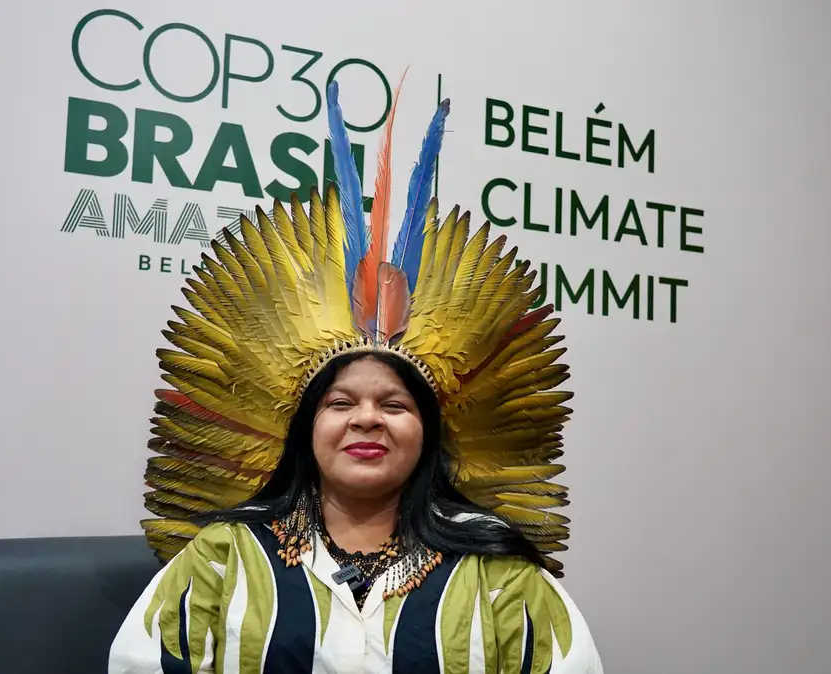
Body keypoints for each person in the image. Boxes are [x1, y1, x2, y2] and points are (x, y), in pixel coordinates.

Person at [107, 77, 605, 673]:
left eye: (394, 405)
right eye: (340, 403)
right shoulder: (225, 555)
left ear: (428, 433)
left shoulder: (499, 574)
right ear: (305, 429)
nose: (367, 419)